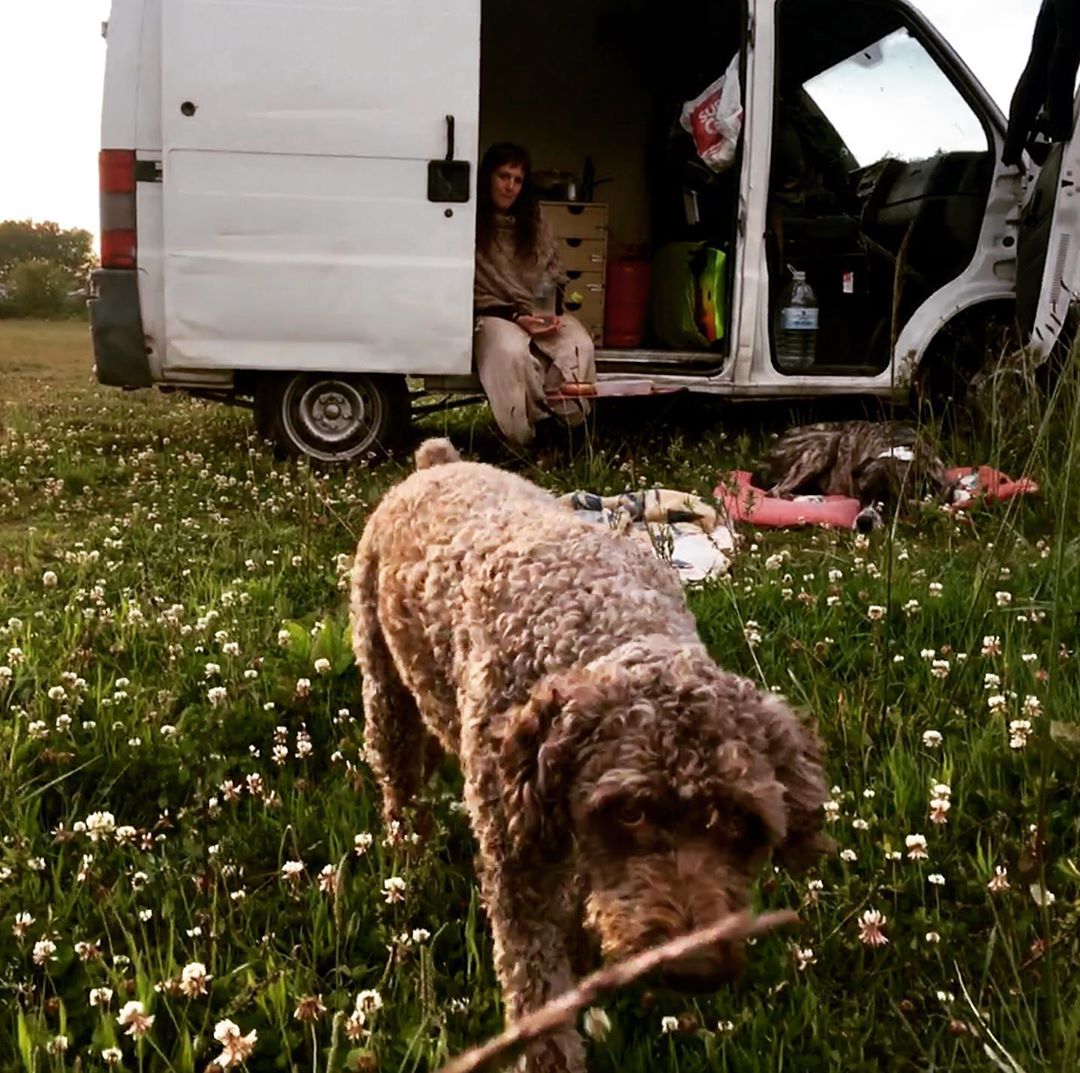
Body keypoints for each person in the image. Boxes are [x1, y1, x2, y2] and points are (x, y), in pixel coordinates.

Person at [473, 143, 596, 447]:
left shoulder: (535, 219)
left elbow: (550, 271)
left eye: (517, 180)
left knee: (579, 345)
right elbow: (473, 288)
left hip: (533, 309)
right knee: (513, 354)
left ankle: (567, 427)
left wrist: (545, 313)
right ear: (488, 176)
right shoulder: (470, 220)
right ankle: (529, 434)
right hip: (493, 312)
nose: (510, 186)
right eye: (503, 176)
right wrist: (518, 317)